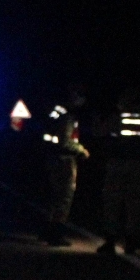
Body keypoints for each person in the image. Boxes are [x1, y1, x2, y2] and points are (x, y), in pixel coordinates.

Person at [99, 89, 140, 254]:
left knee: (112, 203)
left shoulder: (117, 117)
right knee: (134, 204)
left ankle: (110, 240)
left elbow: (100, 132)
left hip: (118, 164)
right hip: (139, 165)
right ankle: (132, 242)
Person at [39, 82, 89, 245]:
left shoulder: (56, 111)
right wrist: (81, 150)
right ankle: (56, 234)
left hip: (51, 157)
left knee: (53, 196)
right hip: (64, 160)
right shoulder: (67, 115)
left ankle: (46, 230)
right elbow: (65, 141)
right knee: (64, 197)